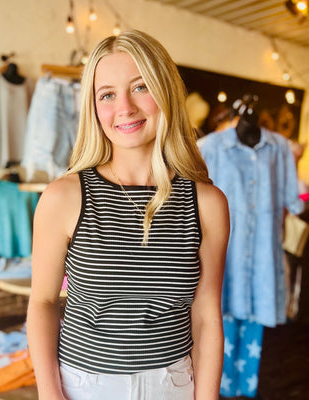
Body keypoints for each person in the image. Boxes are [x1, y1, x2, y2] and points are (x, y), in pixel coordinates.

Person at [27, 30, 230, 400]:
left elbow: (206, 315)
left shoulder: (207, 203)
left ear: (165, 91)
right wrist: (49, 394)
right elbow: (42, 302)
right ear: (93, 107)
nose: (125, 108)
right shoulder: (63, 198)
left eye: (139, 87)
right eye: (107, 94)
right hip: (83, 386)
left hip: (174, 384)